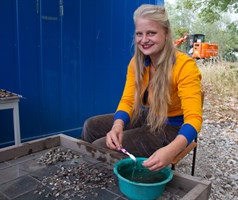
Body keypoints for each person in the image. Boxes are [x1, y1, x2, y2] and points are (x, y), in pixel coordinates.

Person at [82, 4, 202, 171]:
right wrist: (117, 126)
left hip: (172, 126)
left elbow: (194, 119)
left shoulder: (185, 66)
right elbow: (128, 100)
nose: (144, 40)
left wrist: (170, 150)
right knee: (91, 126)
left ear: (166, 34)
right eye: (139, 34)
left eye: (151, 33)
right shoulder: (136, 63)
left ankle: (115, 182)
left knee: (102, 146)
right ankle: (97, 173)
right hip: (149, 116)